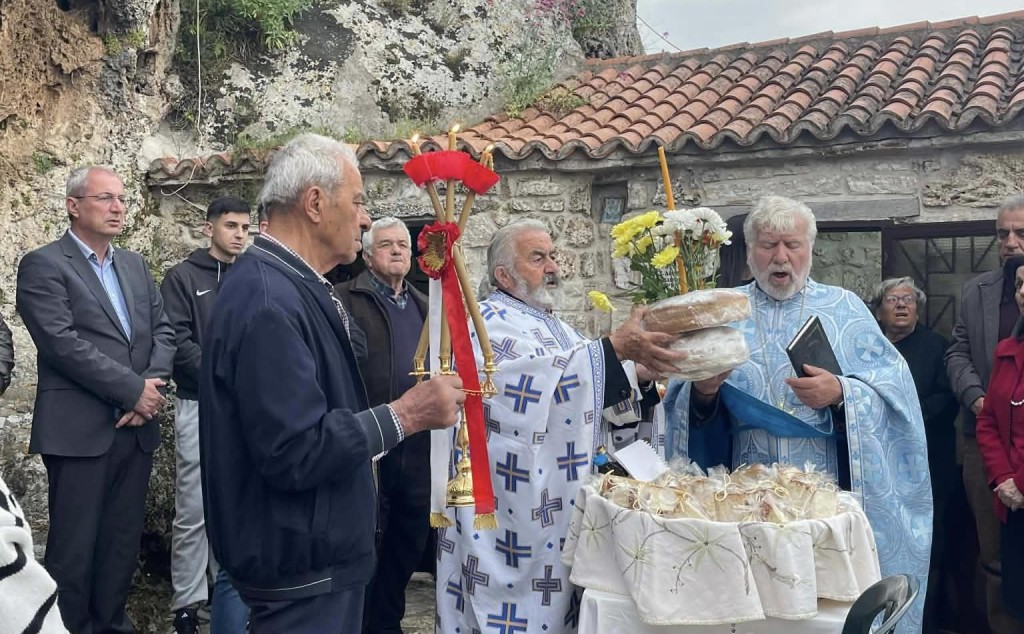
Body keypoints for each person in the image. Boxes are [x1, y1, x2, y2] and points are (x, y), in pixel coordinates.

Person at [198, 134, 465, 633]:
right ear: (315, 203)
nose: (365, 219)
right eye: (359, 201)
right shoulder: (267, 299)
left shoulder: (293, 287)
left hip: (315, 561)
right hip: (298, 570)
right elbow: (296, 449)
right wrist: (406, 415)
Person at [663, 195, 932, 632]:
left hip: (824, 492)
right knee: (756, 608)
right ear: (749, 251)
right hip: (743, 491)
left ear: (811, 248)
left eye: (793, 244)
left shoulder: (845, 309)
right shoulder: (722, 310)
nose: (781, 257)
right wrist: (704, 392)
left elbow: (897, 402)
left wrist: (842, 392)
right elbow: (680, 410)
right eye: (769, 245)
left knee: (820, 606)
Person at [435, 219, 685, 634]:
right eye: (538, 258)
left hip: (559, 503)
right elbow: (520, 397)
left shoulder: (553, 323)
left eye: (552, 256)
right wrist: (613, 348)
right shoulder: (490, 323)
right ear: (503, 275)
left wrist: (634, 374)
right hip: (512, 506)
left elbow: (580, 394)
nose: (553, 266)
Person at [16, 166, 175, 633]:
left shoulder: (134, 265)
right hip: (80, 431)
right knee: (74, 552)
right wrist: (133, 390)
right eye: (105, 198)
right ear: (73, 205)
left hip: (136, 429)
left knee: (120, 549)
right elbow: (61, 343)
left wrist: (151, 387)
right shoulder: (44, 264)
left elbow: (163, 331)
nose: (118, 207)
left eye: (121, 199)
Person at [160, 196, 251, 634]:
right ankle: (187, 604)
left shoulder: (254, 277)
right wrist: (225, 379)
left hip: (247, 411)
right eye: (231, 225)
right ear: (208, 227)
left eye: (245, 228)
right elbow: (177, 343)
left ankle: (229, 595)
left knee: (237, 502)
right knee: (194, 505)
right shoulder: (182, 277)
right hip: (198, 404)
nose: (239, 234)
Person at [334, 217, 429, 634]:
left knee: (405, 549)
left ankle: (386, 625)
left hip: (418, 450)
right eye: (386, 244)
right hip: (369, 444)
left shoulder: (429, 306)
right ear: (367, 255)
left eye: (404, 245)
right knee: (366, 550)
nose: (397, 250)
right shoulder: (343, 300)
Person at [947, 194, 1024, 634]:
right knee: (993, 554)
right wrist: (979, 398)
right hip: (985, 443)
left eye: (1020, 233)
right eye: (1002, 234)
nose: (1010, 242)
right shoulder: (975, 291)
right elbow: (957, 350)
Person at [870, 277, 958, 632]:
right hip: (878, 463)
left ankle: (926, 621)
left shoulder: (937, 346)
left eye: (909, 299)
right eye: (893, 299)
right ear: (879, 308)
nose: (902, 305)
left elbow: (946, 398)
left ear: (919, 308)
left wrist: (903, 414)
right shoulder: (869, 345)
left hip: (928, 463)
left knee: (929, 545)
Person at [977, 254, 1024, 625]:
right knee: (1017, 599)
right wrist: (1002, 478)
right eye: (1021, 284)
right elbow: (989, 420)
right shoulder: (1007, 351)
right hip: (1013, 502)